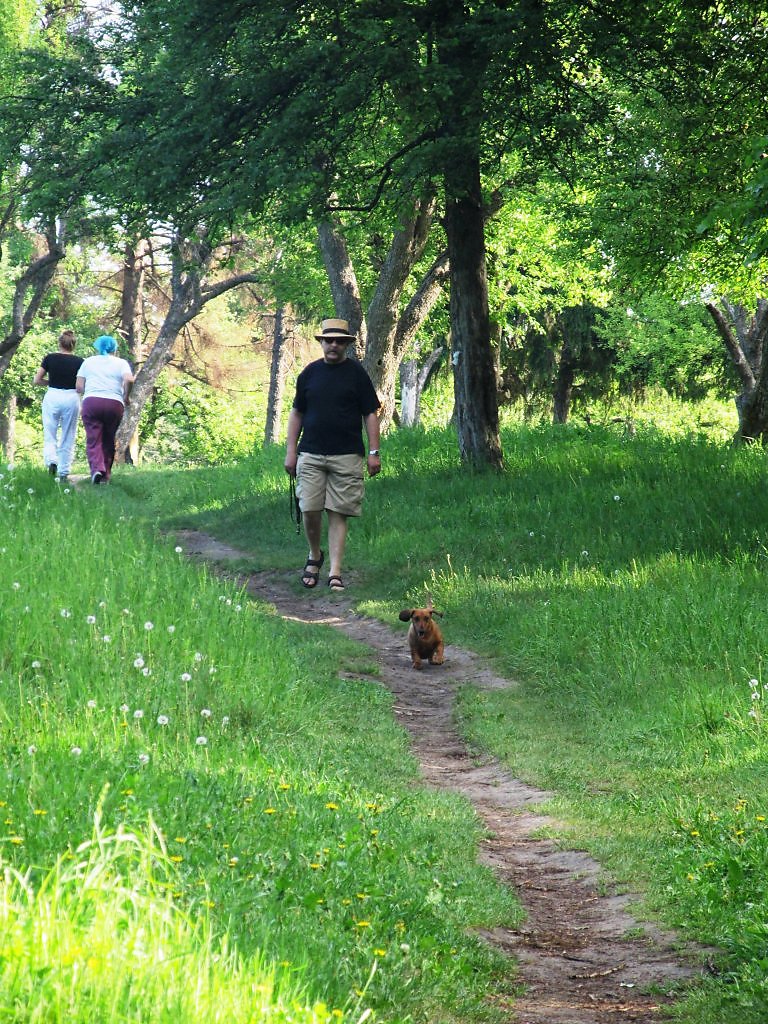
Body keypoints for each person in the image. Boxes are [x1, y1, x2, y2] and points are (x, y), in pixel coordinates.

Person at [284, 318, 381, 590]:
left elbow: (370, 414)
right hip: (311, 454)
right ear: (322, 343)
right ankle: (315, 555)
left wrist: (374, 452)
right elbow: (297, 413)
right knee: (310, 509)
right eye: (329, 340)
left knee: (338, 512)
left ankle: (335, 572)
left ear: (347, 345)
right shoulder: (310, 374)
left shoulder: (357, 374)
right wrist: (291, 451)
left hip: (347, 455)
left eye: (340, 341)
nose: (334, 345)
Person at [76, 334, 135, 485]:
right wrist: (126, 396)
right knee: (109, 439)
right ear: (114, 348)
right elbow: (129, 379)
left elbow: (79, 387)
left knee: (93, 439)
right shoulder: (121, 363)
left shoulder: (88, 362)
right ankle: (105, 476)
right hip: (114, 404)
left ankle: (96, 469)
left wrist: (90, 390)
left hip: (92, 402)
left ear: (98, 347)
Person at [33, 330, 84, 481]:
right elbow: (81, 384)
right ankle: (64, 471)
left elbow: (37, 380)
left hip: (53, 395)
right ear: (73, 345)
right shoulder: (80, 362)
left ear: (59, 343)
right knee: (68, 433)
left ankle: (51, 460)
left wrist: (51, 382)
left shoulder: (50, 358)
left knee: (50, 432)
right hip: (71, 397)